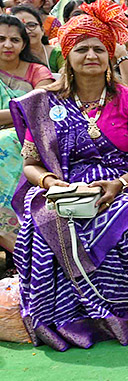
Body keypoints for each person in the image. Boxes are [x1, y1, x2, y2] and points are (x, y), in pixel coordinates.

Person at [9, 1, 128, 349]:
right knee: (45, 218)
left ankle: (111, 317)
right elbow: (31, 165)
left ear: (110, 56)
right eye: (82, 48)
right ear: (67, 56)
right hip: (62, 183)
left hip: (123, 183)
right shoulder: (45, 103)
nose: (91, 55)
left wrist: (118, 185)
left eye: (99, 48)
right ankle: (58, 318)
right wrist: (51, 184)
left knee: (114, 218)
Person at [0, 16, 56, 253]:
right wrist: (17, 111)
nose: (7, 45)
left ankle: (19, 246)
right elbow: (24, 108)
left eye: (14, 39)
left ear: (24, 44)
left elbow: (38, 108)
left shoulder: (37, 71)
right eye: (1, 39)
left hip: (31, 138)